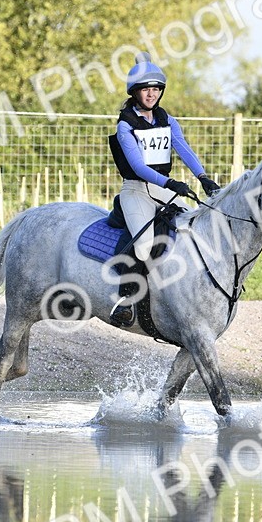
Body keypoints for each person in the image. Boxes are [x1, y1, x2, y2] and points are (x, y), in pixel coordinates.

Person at [108, 54, 220, 327]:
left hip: (161, 189)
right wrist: (170, 183)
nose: (152, 94)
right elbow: (137, 166)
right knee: (144, 244)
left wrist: (203, 177)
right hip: (136, 190)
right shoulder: (125, 124)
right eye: (146, 89)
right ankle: (125, 300)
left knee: (193, 228)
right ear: (135, 92)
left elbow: (184, 149)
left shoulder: (166, 118)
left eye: (156, 89)